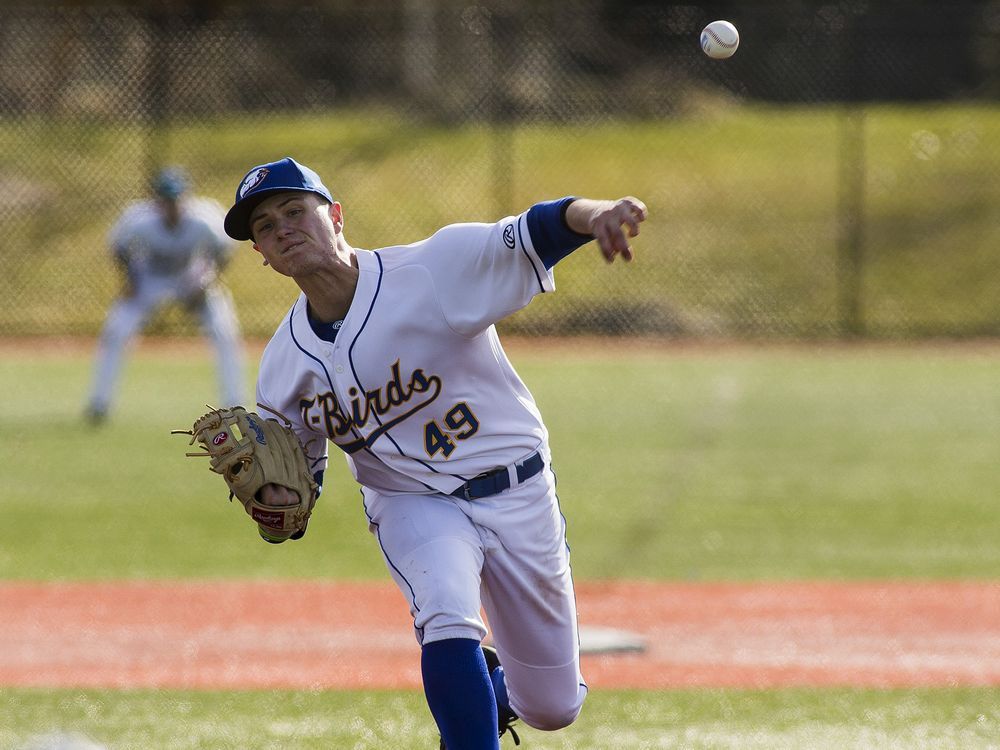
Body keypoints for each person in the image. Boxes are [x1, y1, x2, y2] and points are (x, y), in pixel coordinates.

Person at [223, 156, 647, 749]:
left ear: (336, 216)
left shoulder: (431, 269)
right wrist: (274, 503)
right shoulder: (283, 366)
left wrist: (599, 214)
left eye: (295, 211)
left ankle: (491, 688)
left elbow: (537, 229)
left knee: (552, 708)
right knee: (446, 612)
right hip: (409, 502)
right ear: (262, 255)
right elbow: (298, 485)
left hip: (517, 487)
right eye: (265, 227)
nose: (282, 228)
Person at [85, 166, 245, 423]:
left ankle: (234, 403)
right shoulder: (138, 220)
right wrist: (129, 282)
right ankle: (99, 404)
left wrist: (208, 280)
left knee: (224, 330)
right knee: (116, 331)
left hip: (190, 277)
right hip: (150, 279)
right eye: (166, 199)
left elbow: (224, 249)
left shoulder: (205, 218)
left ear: (186, 197)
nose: (172, 204)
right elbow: (118, 248)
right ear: (156, 200)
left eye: (176, 198)